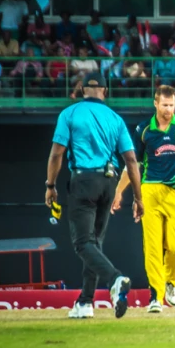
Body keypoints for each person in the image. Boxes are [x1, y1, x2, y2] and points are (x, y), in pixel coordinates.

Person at [44, 72, 144, 320]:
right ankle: (85, 301)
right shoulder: (115, 118)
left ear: (80, 89)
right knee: (94, 243)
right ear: (105, 91)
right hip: (108, 182)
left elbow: (57, 154)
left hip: (83, 181)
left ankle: (115, 279)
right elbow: (131, 160)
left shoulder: (70, 114)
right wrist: (139, 199)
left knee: (82, 243)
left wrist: (50, 185)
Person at [111, 85, 175, 313]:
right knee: (152, 247)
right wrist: (119, 192)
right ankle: (156, 297)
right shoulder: (144, 130)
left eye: (172, 105)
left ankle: (170, 283)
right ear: (155, 103)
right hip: (150, 192)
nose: (169, 110)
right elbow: (134, 165)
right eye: (164, 105)